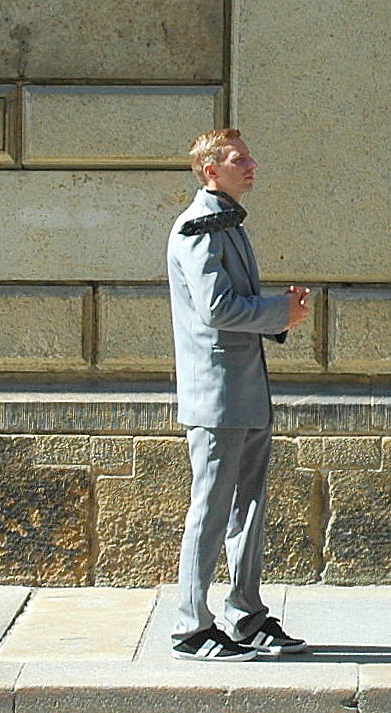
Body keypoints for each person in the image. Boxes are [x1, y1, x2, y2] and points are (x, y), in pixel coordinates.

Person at [165, 128, 311, 661]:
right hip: (217, 394)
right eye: (238, 159)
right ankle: (191, 626)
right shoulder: (199, 228)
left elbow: (237, 303)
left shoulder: (227, 223)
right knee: (210, 509)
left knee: (248, 509)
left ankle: (245, 615)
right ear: (211, 171)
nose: (252, 164)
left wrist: (279, 314)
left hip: (245, 390)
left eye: (248, 156)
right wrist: (280, 312)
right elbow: (215, 309)